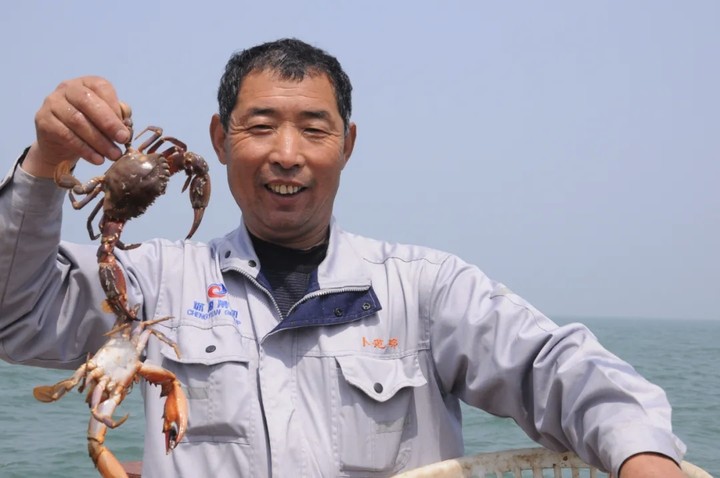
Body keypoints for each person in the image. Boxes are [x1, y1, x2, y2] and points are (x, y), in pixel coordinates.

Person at [0, 38, 686, 478]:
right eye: (260, 126)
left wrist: (642, 453)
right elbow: (15, 314)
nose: (287, 154)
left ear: (348, 144)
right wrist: (46, 162)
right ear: (220, 139)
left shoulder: (425, 290)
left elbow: (555, 368)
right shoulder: (151, 283)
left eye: (314, 128)